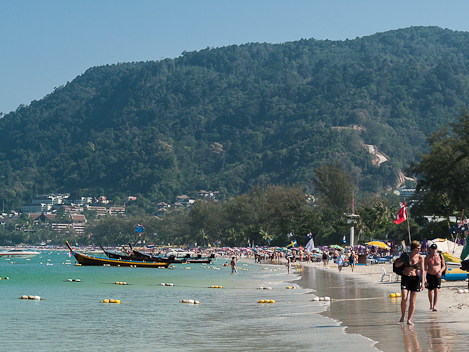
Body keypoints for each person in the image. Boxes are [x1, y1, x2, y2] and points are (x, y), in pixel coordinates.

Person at [394, 240, 425, 325]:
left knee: (412, 301)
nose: (419, 250)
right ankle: (403, 316)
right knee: (404, 298)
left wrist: (423, 282)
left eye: (419, 248)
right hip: (405, 278)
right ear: (413, 248)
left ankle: (409, 319)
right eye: (417, 249)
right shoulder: (405, 255)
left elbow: (422, 270)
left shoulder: (420, 258)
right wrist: (404, 261)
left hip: (415, 279)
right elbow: (396, 264)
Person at [424, 243, 446, 311]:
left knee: (436, 290)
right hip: (430, 275)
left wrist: (440, 272)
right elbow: (424, 268)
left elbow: (444, 266)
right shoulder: (427, 257)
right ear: (430, 249)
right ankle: (431, 305)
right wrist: (424, 277)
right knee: (430, 290)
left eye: (435, 249)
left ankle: (435, 306)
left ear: (436, 249)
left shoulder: (440, 256)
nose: (434, 250)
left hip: (437, 275)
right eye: (432, 249)